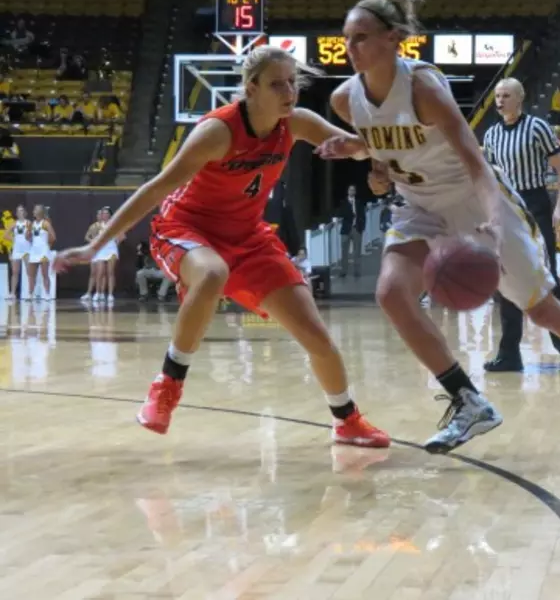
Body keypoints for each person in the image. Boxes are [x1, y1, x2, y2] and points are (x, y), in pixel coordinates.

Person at [320, 0, 560, 454]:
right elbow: (386, 151)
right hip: (418, 205)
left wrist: (494, 223)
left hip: (473, 199)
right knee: (392, 294)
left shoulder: (423, 89)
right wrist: (367, 160)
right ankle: (467, 399)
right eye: (347, 38)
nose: (350, 47)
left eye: (361, 38)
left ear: (394, 39)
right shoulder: (343, 100)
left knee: (542, 309)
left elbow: (475, 161)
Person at [54, 45, 389, 448]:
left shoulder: (295, 122)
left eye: (292, 83)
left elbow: (358, 145)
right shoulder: (218, 132)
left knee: (317, 337)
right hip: (186, 229)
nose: (289, 92)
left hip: (248, 236)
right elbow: (155, 188)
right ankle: (167, 384)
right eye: (277, 84)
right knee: (213, 273)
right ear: (251, 88)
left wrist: (376, 166)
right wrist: (95, 247)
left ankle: (347, 420)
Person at [481, 77, 560, 373]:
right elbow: (488, 179)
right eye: (497, 95)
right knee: (505, 279)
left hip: (535, 205)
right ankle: (509, 353)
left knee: (546, 278)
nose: (500, 100)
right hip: (504, 207)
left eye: (506, 95)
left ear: (520, 99)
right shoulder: (491, 135)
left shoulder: (537, 127)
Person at [91, 206, 122, 306]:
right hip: (101, 250)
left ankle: (110, 294)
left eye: (106, 213)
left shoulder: (115, 224)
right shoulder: (97, 225)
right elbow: (93, 237)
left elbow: (122, 236)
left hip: (111, 250)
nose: (104, 215)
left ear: (110, 215)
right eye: (103, 213)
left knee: (110, 272)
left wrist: (115, 243)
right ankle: (98, 293)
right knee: (100, 273)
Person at [27, 204, 55, 301]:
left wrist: (47, 246)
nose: (33, 211)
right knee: (31, 275)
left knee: (45, 274)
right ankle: (31, 294)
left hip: (43, 252)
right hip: (34, 252)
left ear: (40, 212)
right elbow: (28, 238)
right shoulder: (31, 224)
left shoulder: (45, 224)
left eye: (35, 210)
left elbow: (53, 237)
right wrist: (28, 235)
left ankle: (47, 294)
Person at [338, 184, 365, 278]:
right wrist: (350, 209)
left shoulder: (358, 202)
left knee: (357, 251)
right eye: (350, 190)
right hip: (346, 229)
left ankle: (357, 271)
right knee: (344, 251)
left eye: (353, 190)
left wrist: (361, 228)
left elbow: (362, 215)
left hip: (356, 229)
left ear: (355, 192)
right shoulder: (343, 202)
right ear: (347, 191)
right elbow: (342, 213)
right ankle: (343, 271)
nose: (352, 191)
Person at [5, 204, 30, 300]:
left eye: (21, 210)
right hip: (17, 250)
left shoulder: (29, 223)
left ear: (25, 212)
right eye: (18, 211)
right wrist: (14, 239)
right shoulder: (14, 224)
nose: (20, 212)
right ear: (16, 213)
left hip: (26, 250)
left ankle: (30, 294)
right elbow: (6, 235)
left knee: (29, 272)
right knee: (15, 272)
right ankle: (12, 293)